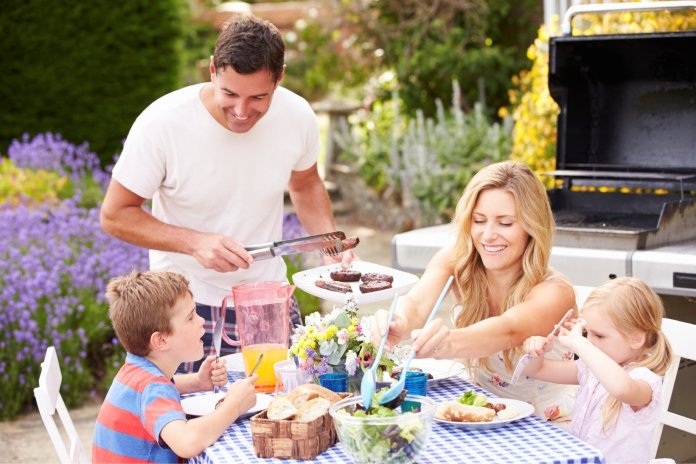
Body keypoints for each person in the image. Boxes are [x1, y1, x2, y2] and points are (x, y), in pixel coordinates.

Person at [99, 15, 353, 372]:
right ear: (213, 71)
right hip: (183, 309)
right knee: (193, 423)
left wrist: (329, 246)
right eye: (229, 93)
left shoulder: (297, 116)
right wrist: (194, 242)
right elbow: (115, 214)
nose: (241, 111)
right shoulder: (163, 124)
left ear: (279, 78)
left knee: (283, 415)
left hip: (268, 299)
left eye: (258, 97)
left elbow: (306, 182)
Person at [374, 160, 577, 421]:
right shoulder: (456, 261)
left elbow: (508, 330)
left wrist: (448, 343)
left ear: (532, 227)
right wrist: (397, 321)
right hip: (481, 413)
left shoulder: (556, 292)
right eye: (479, 220)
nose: (488, 235)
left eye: (505, 223)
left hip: (547, 424)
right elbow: (416, 303)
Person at [93, 270, 258, 462]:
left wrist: (197, 382)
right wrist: (233, 406)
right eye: (190, 317)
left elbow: (155, 392)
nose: (201, 321)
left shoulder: (136, 372)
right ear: (161, 340)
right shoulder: (153, 387)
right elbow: (187, 442)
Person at [521, 277, 673, 463]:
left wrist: (580, 343)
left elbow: (621, 389)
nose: (590, 341)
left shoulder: (645, 381)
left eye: (599, 335)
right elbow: (537, 371)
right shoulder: (590, 369)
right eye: (587, 333)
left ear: (636, 339)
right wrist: (537, 351)